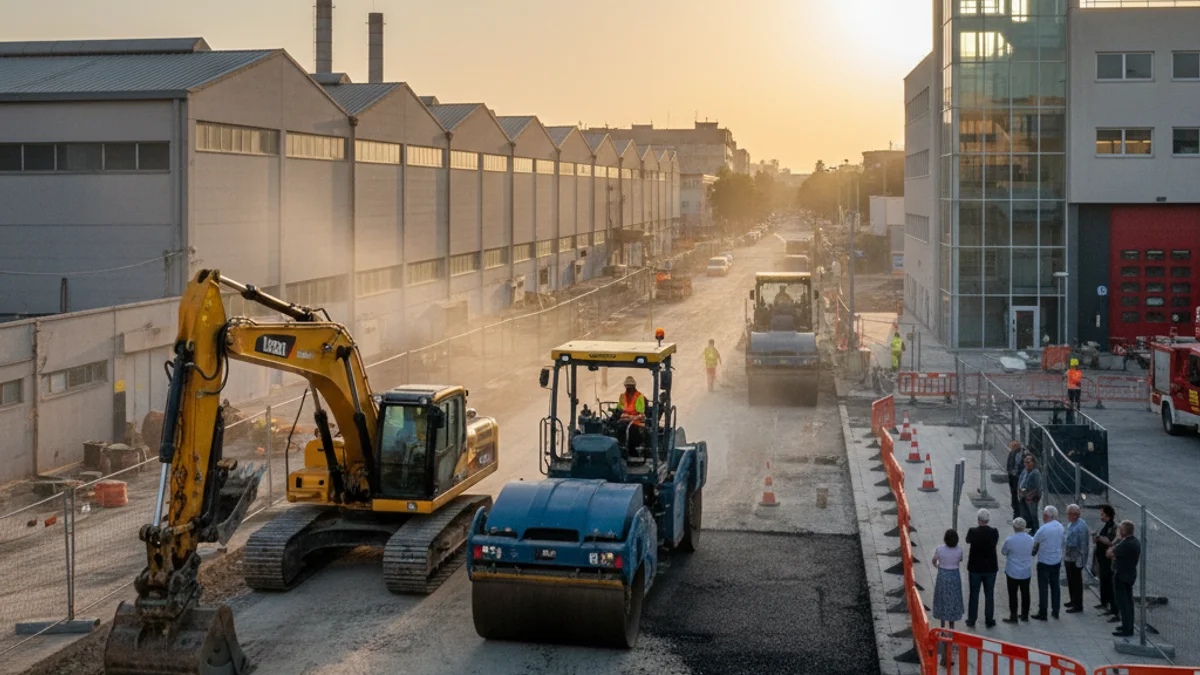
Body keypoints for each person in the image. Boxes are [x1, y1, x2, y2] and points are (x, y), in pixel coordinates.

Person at [965, 509, 999, 629]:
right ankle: (989, 619)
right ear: (988, 520)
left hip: (975, 568)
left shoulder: (973, 531)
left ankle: (971, 619)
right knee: (989, 594)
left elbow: (967, 540)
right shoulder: (994, 532)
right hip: (990, 568)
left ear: (978, 520)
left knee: (974, 594)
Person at [1031, 505, 1064, 621]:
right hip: (1056, 560)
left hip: (1044, 561)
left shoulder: (1043, 529)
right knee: (1055, 586)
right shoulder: (1060, 526)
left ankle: (1043, 613)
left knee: (1043, 588)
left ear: (1046, 516)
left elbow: (1034, 541)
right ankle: (1056, 611)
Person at [1108, 519, 1141, 637]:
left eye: (1120, 530)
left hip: (1122, 576)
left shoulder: (1125, 543)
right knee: (1128, 603)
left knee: (1124, 603)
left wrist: (1116, 539)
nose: (1119, 531)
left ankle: (1127, 629)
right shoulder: (1135, 542)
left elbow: (1109, 552)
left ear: (1124, 531)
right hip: (1129, 574)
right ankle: (1127, 625)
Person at [1001, 517, 1035, 623]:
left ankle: (1013, 616)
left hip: (1013, 571)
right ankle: (1025, 615)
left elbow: (1004, 552)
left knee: (1013, 594)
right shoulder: (1031, 539)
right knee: (1025, 593)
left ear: (1014, 527)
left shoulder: (1010, 540)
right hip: (1026, 571)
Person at [932, 529, 965, 629]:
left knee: (942, 598)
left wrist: (938, 566)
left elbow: (934, 560)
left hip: (943, 575)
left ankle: (942, 624)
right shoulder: (959, 550)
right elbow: (960, 559)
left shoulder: (940, 549)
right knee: (953, 599)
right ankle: (952, 625)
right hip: (954, 576)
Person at [1062, 504, 1089, 614]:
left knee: (1076, 582)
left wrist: (1064, 540)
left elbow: (1074, 543)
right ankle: (1073, 600)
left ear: (1075, 515)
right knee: (1071, 580)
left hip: (1076, 558)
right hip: (1069, 557)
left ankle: (1078, 605)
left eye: (1068, 513)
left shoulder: (1080, 527)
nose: (1067, 516)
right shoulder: (1072, 524)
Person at [1093, 505, 1118, 616]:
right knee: (1103, 580)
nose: (1101, 516)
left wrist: (1099, 538)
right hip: (1102, 558)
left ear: (1108, 515)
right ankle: (1104, 602)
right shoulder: (1106, 526)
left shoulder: (1112, 527)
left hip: (1107, 560)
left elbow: (1111, 542)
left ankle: (1111, 606)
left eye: (1102, 514)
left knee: (1108, 582)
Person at [616, 376, 647, 455]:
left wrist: (629, 417)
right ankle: (618, 448)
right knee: (616, 427)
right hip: (623, 420)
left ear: (634, 387)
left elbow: (641, 413)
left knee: (632, 431)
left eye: (630, 386)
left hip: (635, 421)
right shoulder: (622, 396)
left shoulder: (640, 397)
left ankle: (631, 450)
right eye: (627, 386)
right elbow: (618, 408)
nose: (628, 388)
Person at [1017, 454, 1042, 535]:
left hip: (1031, 498)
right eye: (1025, 462)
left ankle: (1036, 531)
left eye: (1028, 462)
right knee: (1024, 514)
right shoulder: (1025, 471)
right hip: (1023, 497)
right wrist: (1019, 491)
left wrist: (1029, 496)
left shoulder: (1036, 473)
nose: (1026, 464)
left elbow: (1037, 487)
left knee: (1033, 515)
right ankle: (1027, 529)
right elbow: (1020, 481)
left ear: (1033, 463)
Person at [1006, 442, 1026, 520]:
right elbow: (1009, 464)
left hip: (1017, 478)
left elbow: (1021, 467)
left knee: (1017, 496)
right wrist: (1010, 472)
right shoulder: (1012, 453)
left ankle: (1018, 514)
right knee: (1014, 496)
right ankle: (1016, 513)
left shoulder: (1022, 455)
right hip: (1012, 478)